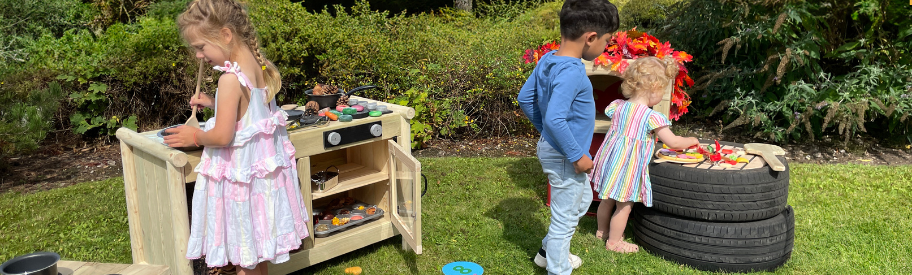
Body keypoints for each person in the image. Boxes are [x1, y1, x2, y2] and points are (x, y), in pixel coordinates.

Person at [163, 0, 309, 274]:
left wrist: (194, 135)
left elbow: (222, 136)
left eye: (200, 47)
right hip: (260, 185)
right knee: (255, 257)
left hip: (242, 187)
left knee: (245, 260)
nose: (198, 55)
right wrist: (213, 104)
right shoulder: (258, 65)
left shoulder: (229, 80)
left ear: (226, 35)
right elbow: (250, 115)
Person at [517, 0, 618, 273]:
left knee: (582, 199)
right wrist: (576, 154)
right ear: (591, 38)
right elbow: (555, 118)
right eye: (607, 41)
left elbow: (525, 99)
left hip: (557, 149)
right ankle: (557, 268)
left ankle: (545, 253)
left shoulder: (549, 58)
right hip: (566, 156)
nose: (605, 48)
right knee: (564, 219)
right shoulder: (572, 72)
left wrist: (547, 133)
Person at [590, 56, 699, 253]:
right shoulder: (652, 117)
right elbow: (672, 142)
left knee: (607, 200)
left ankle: (601, 231)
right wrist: (691, 141)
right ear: (655, 88)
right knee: (624, 206)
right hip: (628, 167)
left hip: (611, 162)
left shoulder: (617, 106)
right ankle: (614, 242)